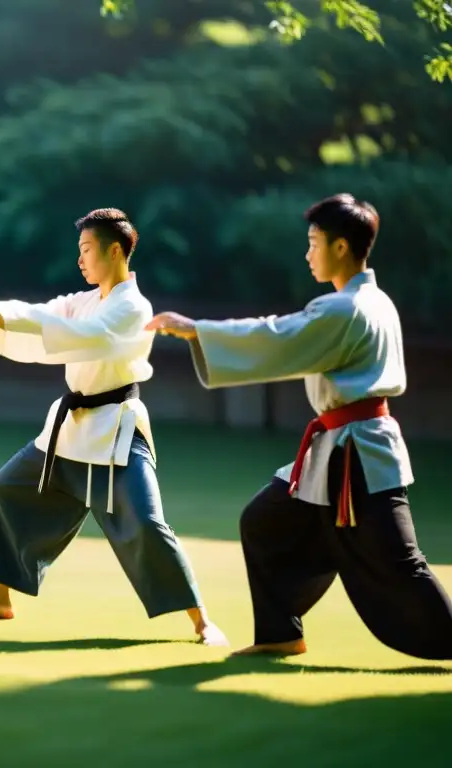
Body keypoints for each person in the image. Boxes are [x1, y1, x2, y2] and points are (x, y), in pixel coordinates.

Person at [147, 193, 452, 659]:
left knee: (400, 562)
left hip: (359, 457)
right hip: (342, 450)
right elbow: (284, 333)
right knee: (266, 522)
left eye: (314, 243)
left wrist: (198, 329)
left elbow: (277, 335)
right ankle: (279, 634)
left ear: (343, 247)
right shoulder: (374, 302)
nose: (308, 253)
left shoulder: (344, 309)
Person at [0, 208, 227, 647]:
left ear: (115, 250)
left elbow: (87, 335)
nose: (79, 259)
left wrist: (4, 317)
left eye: (86, 249)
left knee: (149, 524)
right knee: (4, 490)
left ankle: (201, 620)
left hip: (115, 432)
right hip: (69, 431)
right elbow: (47, 313)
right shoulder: (86, 300)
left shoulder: (132, 307)